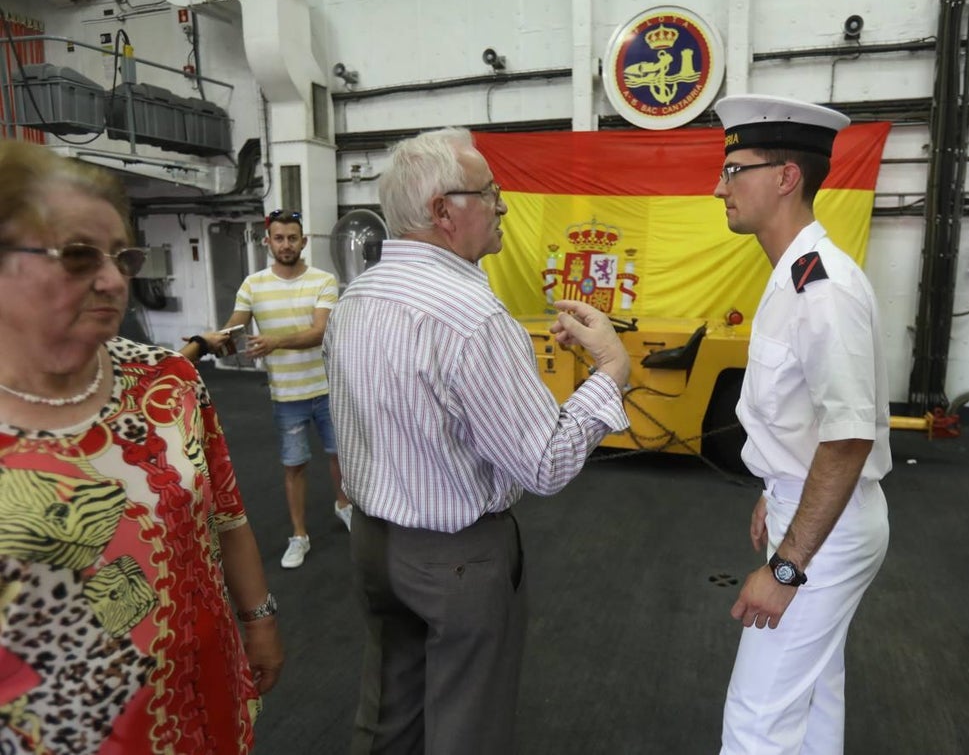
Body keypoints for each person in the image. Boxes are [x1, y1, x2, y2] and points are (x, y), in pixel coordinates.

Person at [324, 127, 631, 755]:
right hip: (455, 559)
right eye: (489, 193)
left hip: (373, 542)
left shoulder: (357, 296)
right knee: (468, 727)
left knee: (388, 715)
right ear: (443, 211)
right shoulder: (474, 316)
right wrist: (611, 373)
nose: (502, 205)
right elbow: (544, 464)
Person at [0, 140, 284, 754]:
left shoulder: (168, 380)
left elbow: (227, 518)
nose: (112, 279)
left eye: (121, 257)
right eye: (78, 257)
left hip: (203, 689)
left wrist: (258, 619)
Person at [712, 95, 892, 754]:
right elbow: (811, 415)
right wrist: (776, 486)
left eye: (735, 170)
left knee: (757, 718)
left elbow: (848, 437)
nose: (719, 186)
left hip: (826, 535)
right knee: (814, 696)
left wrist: (786, 568)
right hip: (812, 509)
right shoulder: (793, 276)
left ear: (786, 176)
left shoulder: (823, 289)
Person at [219, 209, 351, 569]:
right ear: (268, 242)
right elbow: (236, 323)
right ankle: (299, 536)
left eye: (293, 238)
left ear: (303, 241)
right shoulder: (253, 284)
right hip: (287, 395)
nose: (286, 244)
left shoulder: (323, 280)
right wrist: (213, 339)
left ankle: (344, 506)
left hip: (326, 389)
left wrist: (275, 341)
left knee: (341, 456)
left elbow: (320, 331)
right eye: (279, 238)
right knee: (294, 466)